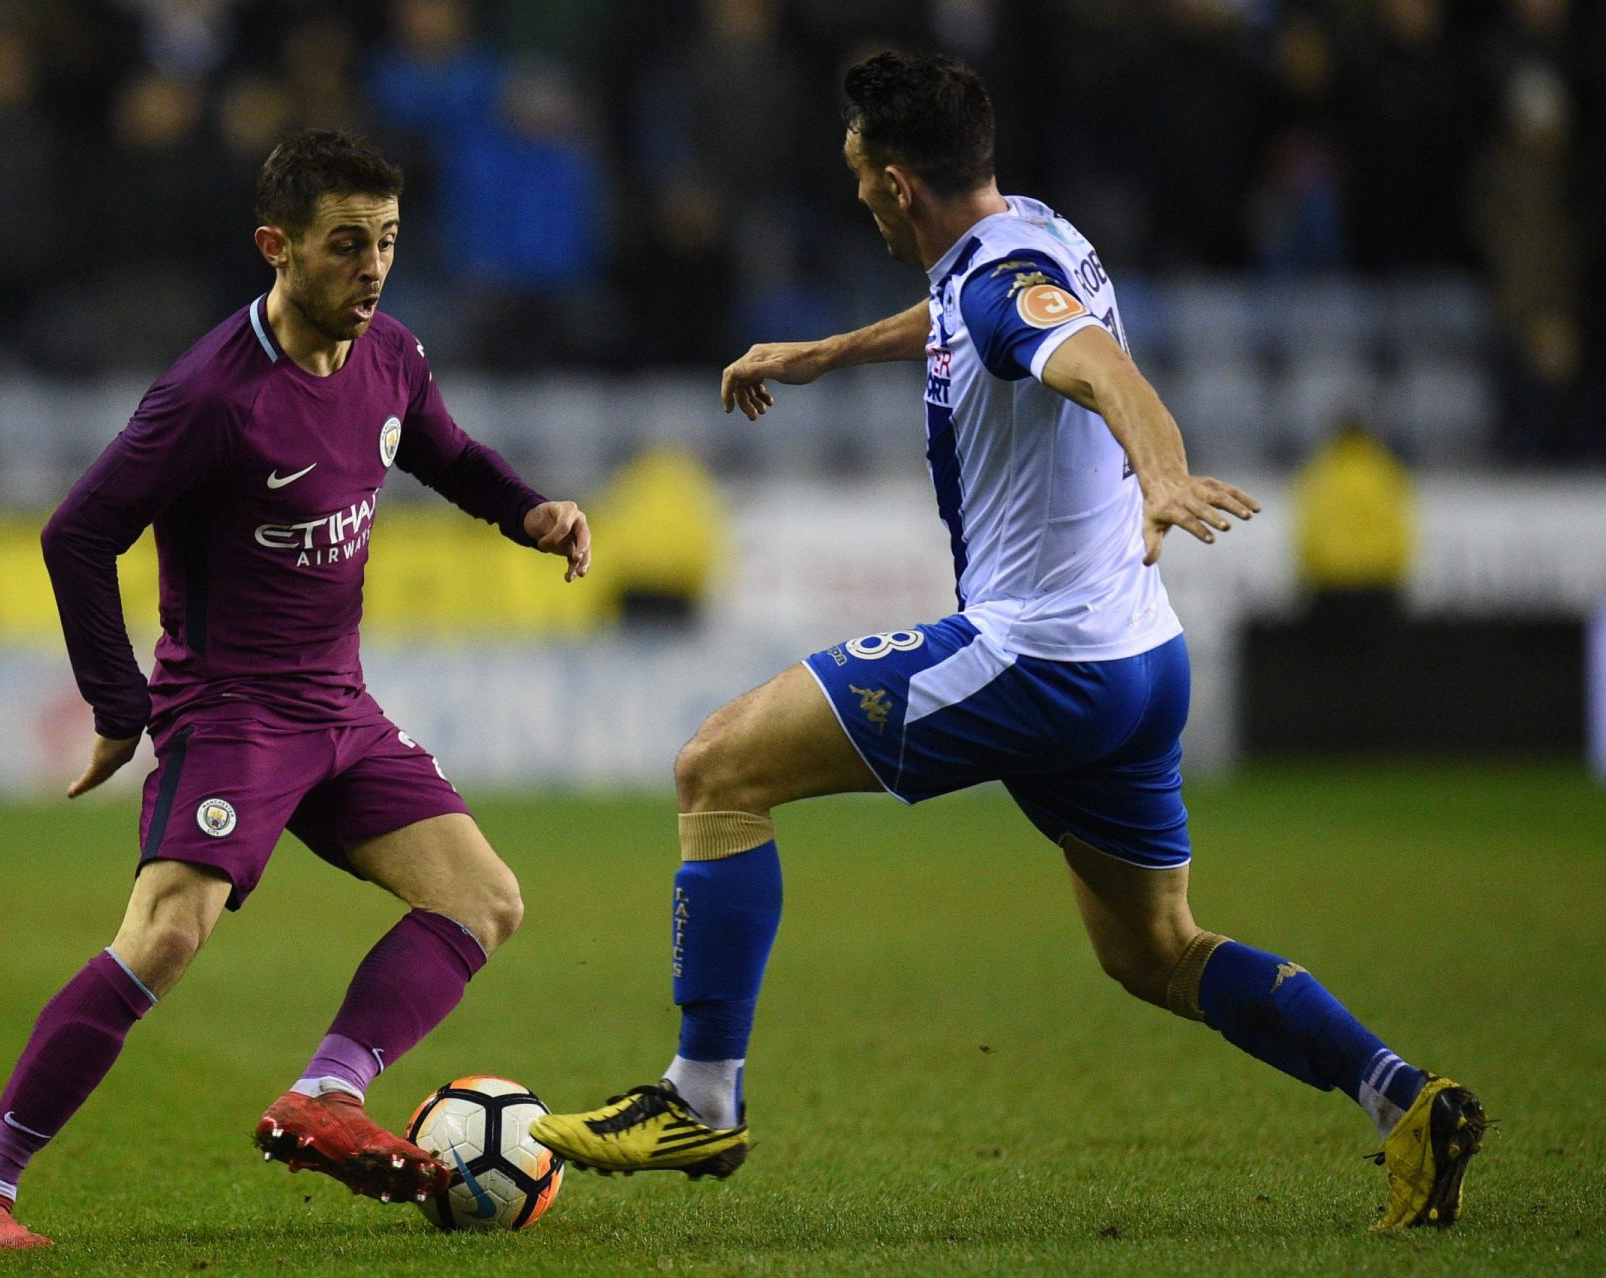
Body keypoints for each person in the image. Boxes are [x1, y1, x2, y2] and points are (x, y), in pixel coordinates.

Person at [531, 52, 1483, 1233]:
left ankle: (699, 1099)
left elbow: (1094, 360)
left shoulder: (1009, 283)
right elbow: (961, 316)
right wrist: (821, 355)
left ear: (893, 185)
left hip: (1037, 659)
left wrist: (1163, 471)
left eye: (858, 180)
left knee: (717, 770)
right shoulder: (1022, 229)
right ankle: (1405, 1098)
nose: (857, 199)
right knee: (1156, 953)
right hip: (1141, 665)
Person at [0, 129, 592, 1251]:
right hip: (229, 715)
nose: (372, 267)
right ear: (276, 248)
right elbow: (78, 535)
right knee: (167, 935)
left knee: (484, 900)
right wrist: (120, 707)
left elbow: (441, 448)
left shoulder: (391, 355)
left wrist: (529, 511)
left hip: (340, 707)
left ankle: (326, 1092)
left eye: (385, 241)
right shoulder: (209, 397)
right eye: (345, 246)